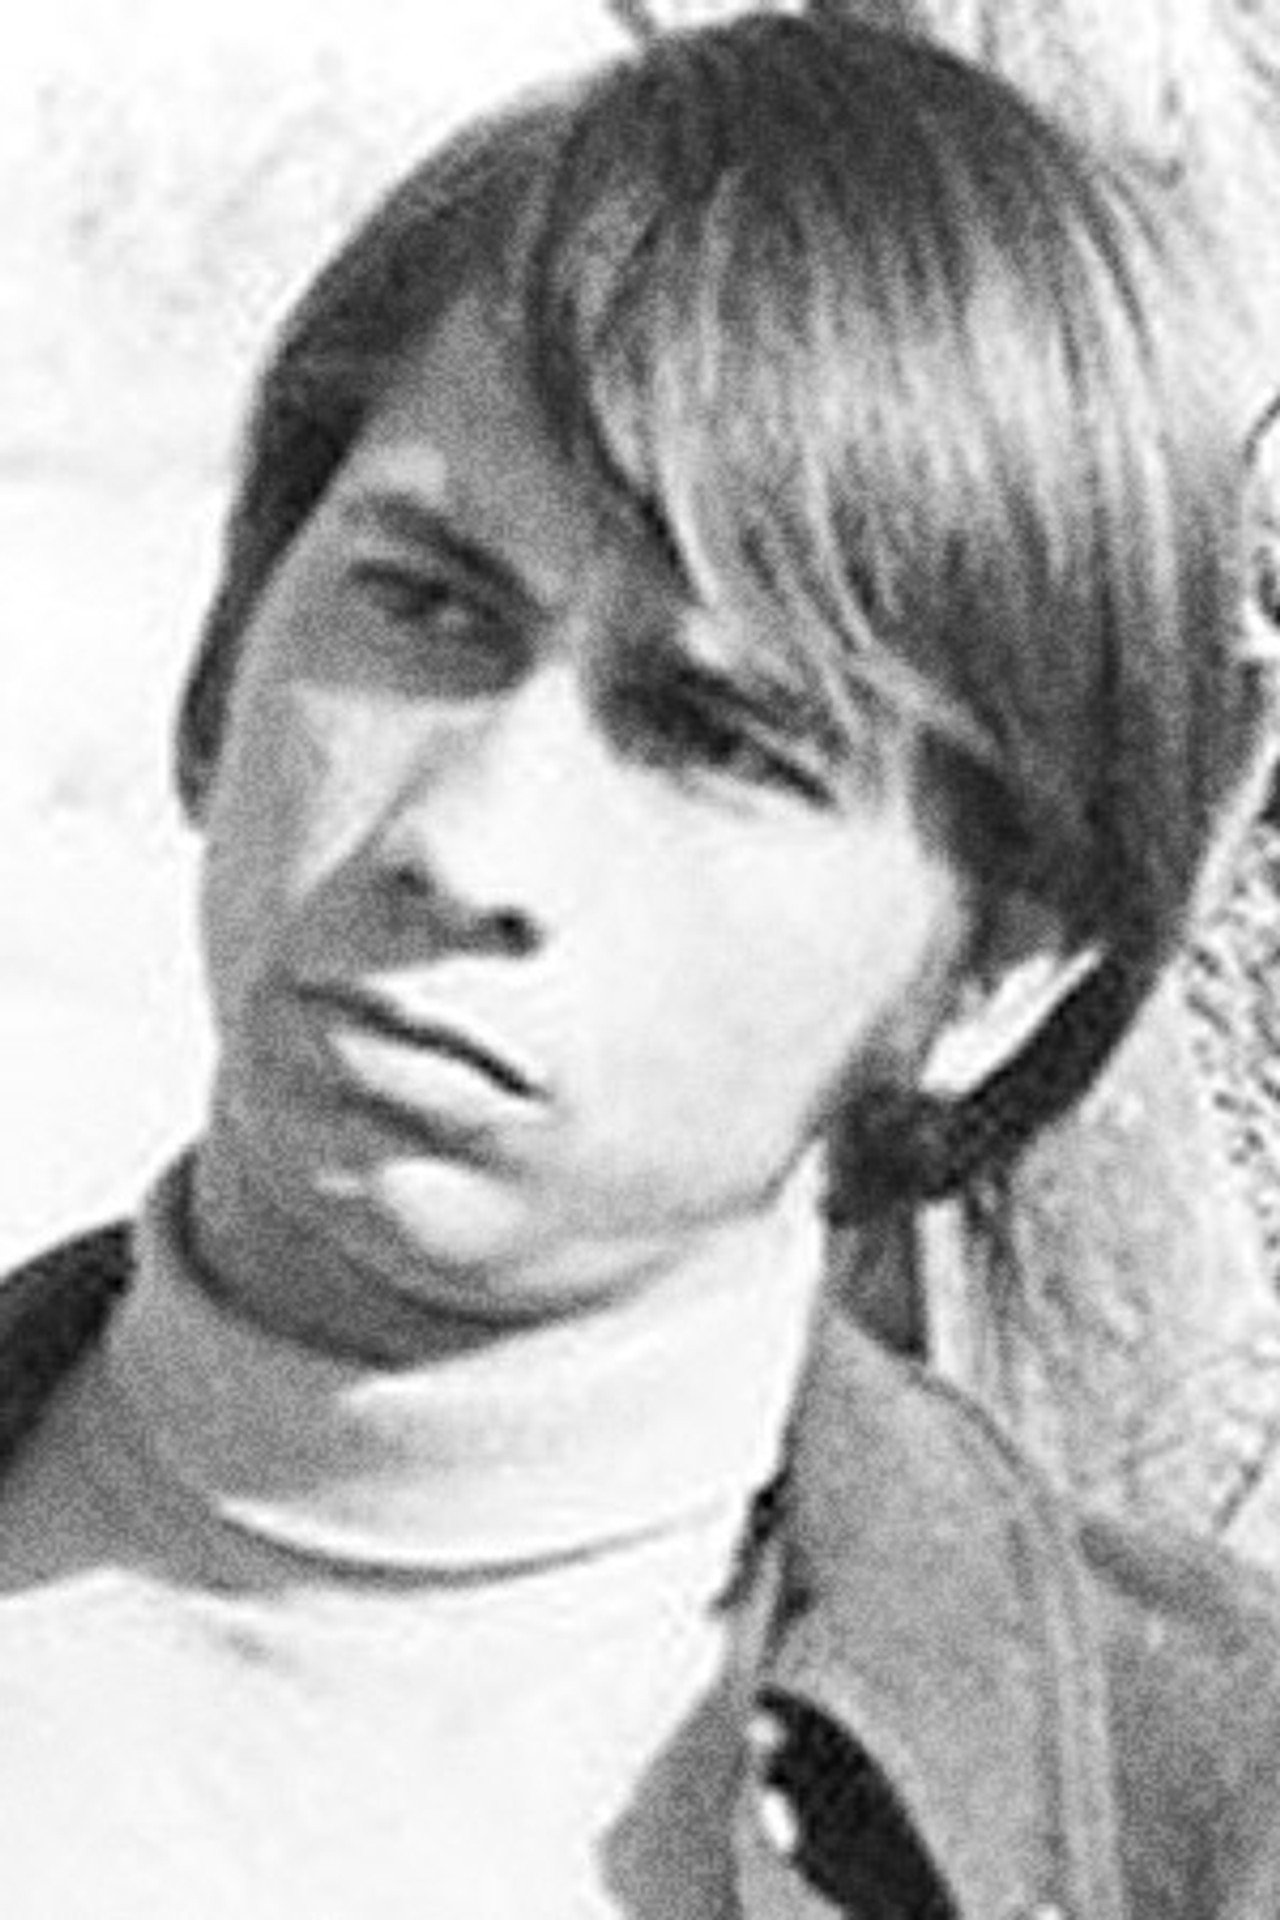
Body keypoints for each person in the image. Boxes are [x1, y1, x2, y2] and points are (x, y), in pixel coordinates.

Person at [3, 11, 1280, 1915]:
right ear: (226, 657)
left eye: (724, 738)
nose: (467, 846)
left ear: (999, 974)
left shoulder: (1196, 1821)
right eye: (423, 608)